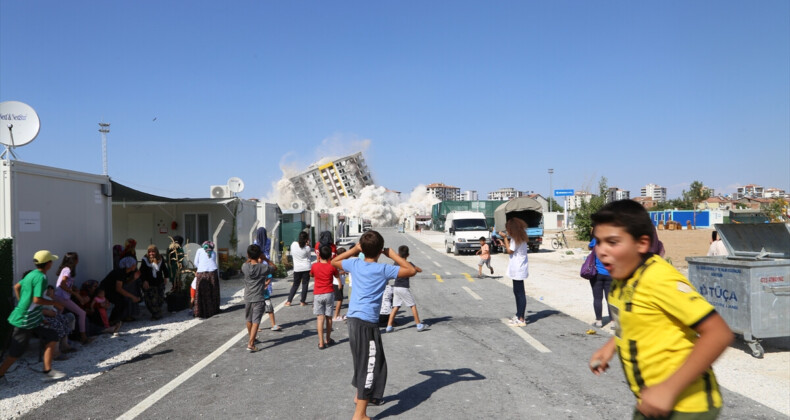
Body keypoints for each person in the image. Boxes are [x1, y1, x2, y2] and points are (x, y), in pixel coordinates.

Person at [588, 200, 733, 419]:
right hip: (651, 401)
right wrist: (610, 347)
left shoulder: (658, 278)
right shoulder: (621, 277)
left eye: (613, 242)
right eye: (598, 242)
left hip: (687, 407)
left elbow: (719, 333)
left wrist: (668, 389)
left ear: (642, 243)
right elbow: (632, 320)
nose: (601, 251)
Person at [331, 231, 417, 420]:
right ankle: (359, 415)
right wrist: (392, 254)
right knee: (371, 367)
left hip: (353, 321)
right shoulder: (383, 269)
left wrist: (354, 249)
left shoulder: (355, 263)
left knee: (364, 362)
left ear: (362, 249)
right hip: (366, 323)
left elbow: (334, 262)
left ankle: (359, 396)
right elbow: (410, 270)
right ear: (380, 251)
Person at [0, 251, 67, 383]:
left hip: (32, 318)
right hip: (25, 320)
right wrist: (55, 303)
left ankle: (47, 371)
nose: (52, 263)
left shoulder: (32, 274)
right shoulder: (41, 278)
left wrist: (22, 303)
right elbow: (37, 300)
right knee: (15, 353)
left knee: (52, 335)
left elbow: (16, 286)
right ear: (48, 263)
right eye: (51, 261)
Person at [53, 252, 92, 344]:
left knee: (58, 318)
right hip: (62, 297)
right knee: (82, 313)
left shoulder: (64, 269)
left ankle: (61, 341)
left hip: (59, 296)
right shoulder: (67, 270)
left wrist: (73, 288)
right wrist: (76, 294)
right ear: (75, 260)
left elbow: (64, 284)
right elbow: (62, 284)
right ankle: (83, 337)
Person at [385, 245, 426, 333]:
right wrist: (413, 266)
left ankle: (389, 326)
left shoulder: (396, 263)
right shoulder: (408, 264)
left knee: (395, 307)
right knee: (412, 305)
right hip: (404, 287)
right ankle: (418, 324)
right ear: (408, 254)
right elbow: (419, 270)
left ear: (398, 254)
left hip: (396, 287)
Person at [500, 217, 529, 327]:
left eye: (508, 229)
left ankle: (521, 319)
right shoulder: (519, 238)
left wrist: (505, 238)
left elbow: (509, 251)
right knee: (517, 292)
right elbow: (512, 250)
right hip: (519, 268)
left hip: (518, 269)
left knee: (520, 293)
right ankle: (518, 315)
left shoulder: (515, 239)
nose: (507, 231)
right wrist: (505, 242)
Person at [100, 256, 142, 328]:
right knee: (120, 302)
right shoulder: (120, 273)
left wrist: (134, 279)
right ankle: (112, 321)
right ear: (130, 265)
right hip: (105, 290)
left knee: (122, 302)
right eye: (134, 264)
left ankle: (114, 320)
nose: (135, 266)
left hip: (111, 290)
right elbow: (119, 289)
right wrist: (133, 297)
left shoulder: (125, 272)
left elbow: (124, 283)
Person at [241, 244, 269, 352]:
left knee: (249, 319)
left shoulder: (244, 267)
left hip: (248, 297)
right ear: (259, 255)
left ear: (248, 255)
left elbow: (246, 263)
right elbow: (274, 268)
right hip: (258, 297)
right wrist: (265, 258)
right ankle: (251, 343)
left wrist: (250, 258)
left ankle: (251, 338)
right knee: (256, 320)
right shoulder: (263, 267)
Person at [311, 245, 339, 349]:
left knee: (320, 318)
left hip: (318, 293)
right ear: (329, 256)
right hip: (329, 293)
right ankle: (328, 339)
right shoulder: (331, 266)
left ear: (319, 255)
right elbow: (336, 275)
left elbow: (312, 274)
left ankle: (321, 342)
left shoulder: (315, 266)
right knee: (329, 317)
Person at [587, 236, 613, 328]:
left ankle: (599, 322)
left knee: (597, 298)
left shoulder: (596, 240)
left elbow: (589, 247)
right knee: (610, 298)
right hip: (610, 274)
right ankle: (613, 322)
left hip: (597, 273)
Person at [139, 245, 170, 320]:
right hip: (149, 283)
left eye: (153, 252)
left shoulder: (160, 258)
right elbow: (142, 272)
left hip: (159, 282)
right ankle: (155, 314)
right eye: (149, 252)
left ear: (156, 252)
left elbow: (164, 268)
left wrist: (166, 277)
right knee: (151, 300)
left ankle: (158, 313)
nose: (151, 253)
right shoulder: (145, 259)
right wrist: (144, 281)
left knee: (160, 299)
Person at [193, 241, 220, 318]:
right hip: (212, 272)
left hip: (202, 273)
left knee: (202, 292)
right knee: (213, 291)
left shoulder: (199, 250)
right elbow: (214, 262)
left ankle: (201, 311)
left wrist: (201, 267)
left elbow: (196, 263)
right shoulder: (214, 252)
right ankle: (213, 310)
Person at [286, 231, 312, 307]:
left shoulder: (293, 244)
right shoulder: (307, 248)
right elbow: (309, 257)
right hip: (306, 267)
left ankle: (289, 301)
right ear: (306, 239)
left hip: (297, 268)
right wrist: (307, 245)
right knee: (305, 284)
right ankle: (302, 301)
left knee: (295, 284)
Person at [333, 247, 348, 322]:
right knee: (339, 299)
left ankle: (338, 315)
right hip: (337, 282)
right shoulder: (337, 262)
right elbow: (336, 273)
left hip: (339, 282)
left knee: (340, 299)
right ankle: (335, 316)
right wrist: (344, 272)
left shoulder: (338, 261)